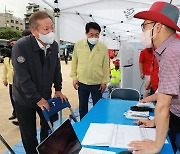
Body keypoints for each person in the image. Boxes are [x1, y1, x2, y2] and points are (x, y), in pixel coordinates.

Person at [128, 2, 180, 153]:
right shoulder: (170, 49)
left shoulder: (172, 52)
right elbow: (169, 89)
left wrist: (156, 146)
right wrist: (154, 121)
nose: (143, 31)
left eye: (145, 26)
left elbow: (164, 104)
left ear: (158, 27)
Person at [12, 11, 67, 154]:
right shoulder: (21, 46)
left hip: (45, 94)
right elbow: (22, 77)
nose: (51, 31)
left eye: (52, 27)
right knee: (29, 134)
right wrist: (37, 99)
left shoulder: (53, 45)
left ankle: (46, 151)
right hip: (24, 99)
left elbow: (56, 67)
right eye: (46, 29)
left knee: (47, 128)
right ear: (34, 31)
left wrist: (58, 88)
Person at [70, 22, 109, 120]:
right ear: (86, 34)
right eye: (91, 34)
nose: (94, 37)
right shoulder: (78, 45)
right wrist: (74, 78)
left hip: (97, 83)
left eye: (96, 35)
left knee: (98, 108)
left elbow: (105, 66)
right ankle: (84, 124)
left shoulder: (103, 47)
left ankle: (97, 124)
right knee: (82, 107)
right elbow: (74, 61)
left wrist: (104, 82)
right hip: (82, 82)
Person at [2, 38, 19, 126]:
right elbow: (5, 69)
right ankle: (15, 113)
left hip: (20, 82)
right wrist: (4, 78)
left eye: (14, 44)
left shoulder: (20, 54)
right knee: (13, 99)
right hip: (11, 81)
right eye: (11, 44)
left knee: (20, 100)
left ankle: (21, 118)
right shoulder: (6, 58)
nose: (13, 45)